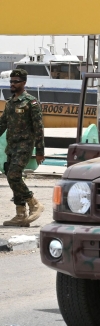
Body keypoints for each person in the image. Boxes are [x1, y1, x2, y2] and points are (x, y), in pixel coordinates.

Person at [0, 69, 44, 227]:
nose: (12, 84)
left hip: (24, 146)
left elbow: (39, 128)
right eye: (11, 81)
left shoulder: (31, 102)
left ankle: (35, 204)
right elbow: (2, 124)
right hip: (11, 147)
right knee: (11, 177)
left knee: (13, 175)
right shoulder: (10, 103)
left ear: (24, 82)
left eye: (16, 81)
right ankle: (20, 214)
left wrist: (39, 151)